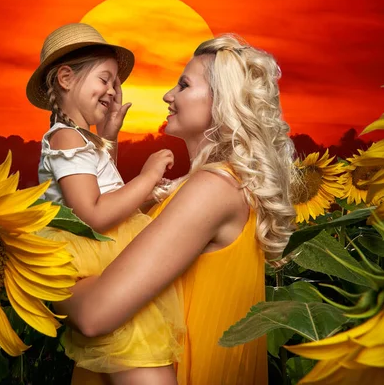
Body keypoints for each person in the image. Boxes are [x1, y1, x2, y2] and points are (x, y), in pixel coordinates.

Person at [55, 34, 298, 385]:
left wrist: (40, 276)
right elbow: (104, 222)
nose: (168, 95)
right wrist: (107, 139)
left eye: (183, 85)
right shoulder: (205, 185)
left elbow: (96, 314)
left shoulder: (214, 188)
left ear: (222, 101)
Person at [27, 23, 185, 385]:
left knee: (125, 348)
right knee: (138, 346)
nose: (112, 92)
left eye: (115, 83)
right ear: (66, 78)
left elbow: (96, 180)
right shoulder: (66, 137)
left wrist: (108, 137)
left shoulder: (75, 138)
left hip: (98, 253)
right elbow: (92, 213)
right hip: (95, 252)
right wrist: (145, 179)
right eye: (105, 79)